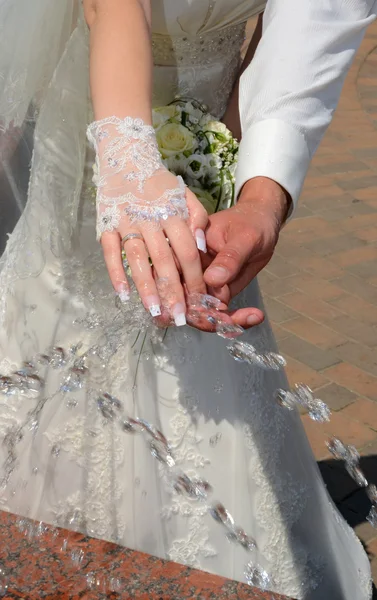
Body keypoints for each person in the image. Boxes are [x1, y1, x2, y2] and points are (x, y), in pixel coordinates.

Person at [0, 0, 375, 597]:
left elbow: (310, 19)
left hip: (216, 112)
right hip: (98, 107)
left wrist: (251, 190)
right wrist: (130, 160)